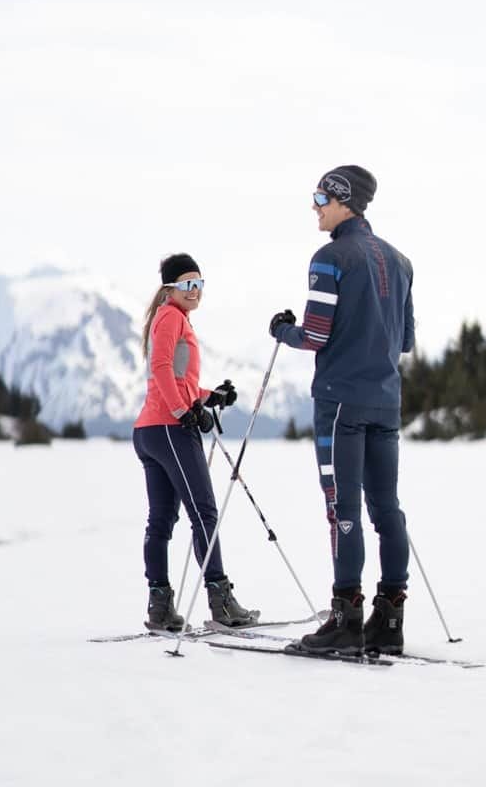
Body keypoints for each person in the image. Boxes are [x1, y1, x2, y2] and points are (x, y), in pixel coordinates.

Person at [269, 166, 414, 656]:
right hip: (387, 402)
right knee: (386, 509)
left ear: (343, 201)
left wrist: (281, 330)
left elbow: (313, 335)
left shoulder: (329, 258)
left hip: (339, 402)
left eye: (320, 197)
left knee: (341, 509)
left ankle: (345, 619)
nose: (314, 206)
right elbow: (406, 341)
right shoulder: (400, 262)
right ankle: (389, 619)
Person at [133, 253, 258, 630]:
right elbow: (159, 371)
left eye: (199, 285)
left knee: (162, 520)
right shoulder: (171, 316)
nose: (195, 292)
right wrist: (182, 412)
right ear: (170, 288)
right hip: (169, 429)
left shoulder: (170, 317)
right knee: (204, 512)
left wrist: (209, 397)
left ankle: (159, 608)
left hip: (151, 431)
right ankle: (220, 603)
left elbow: (177, 380)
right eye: (188, 285)